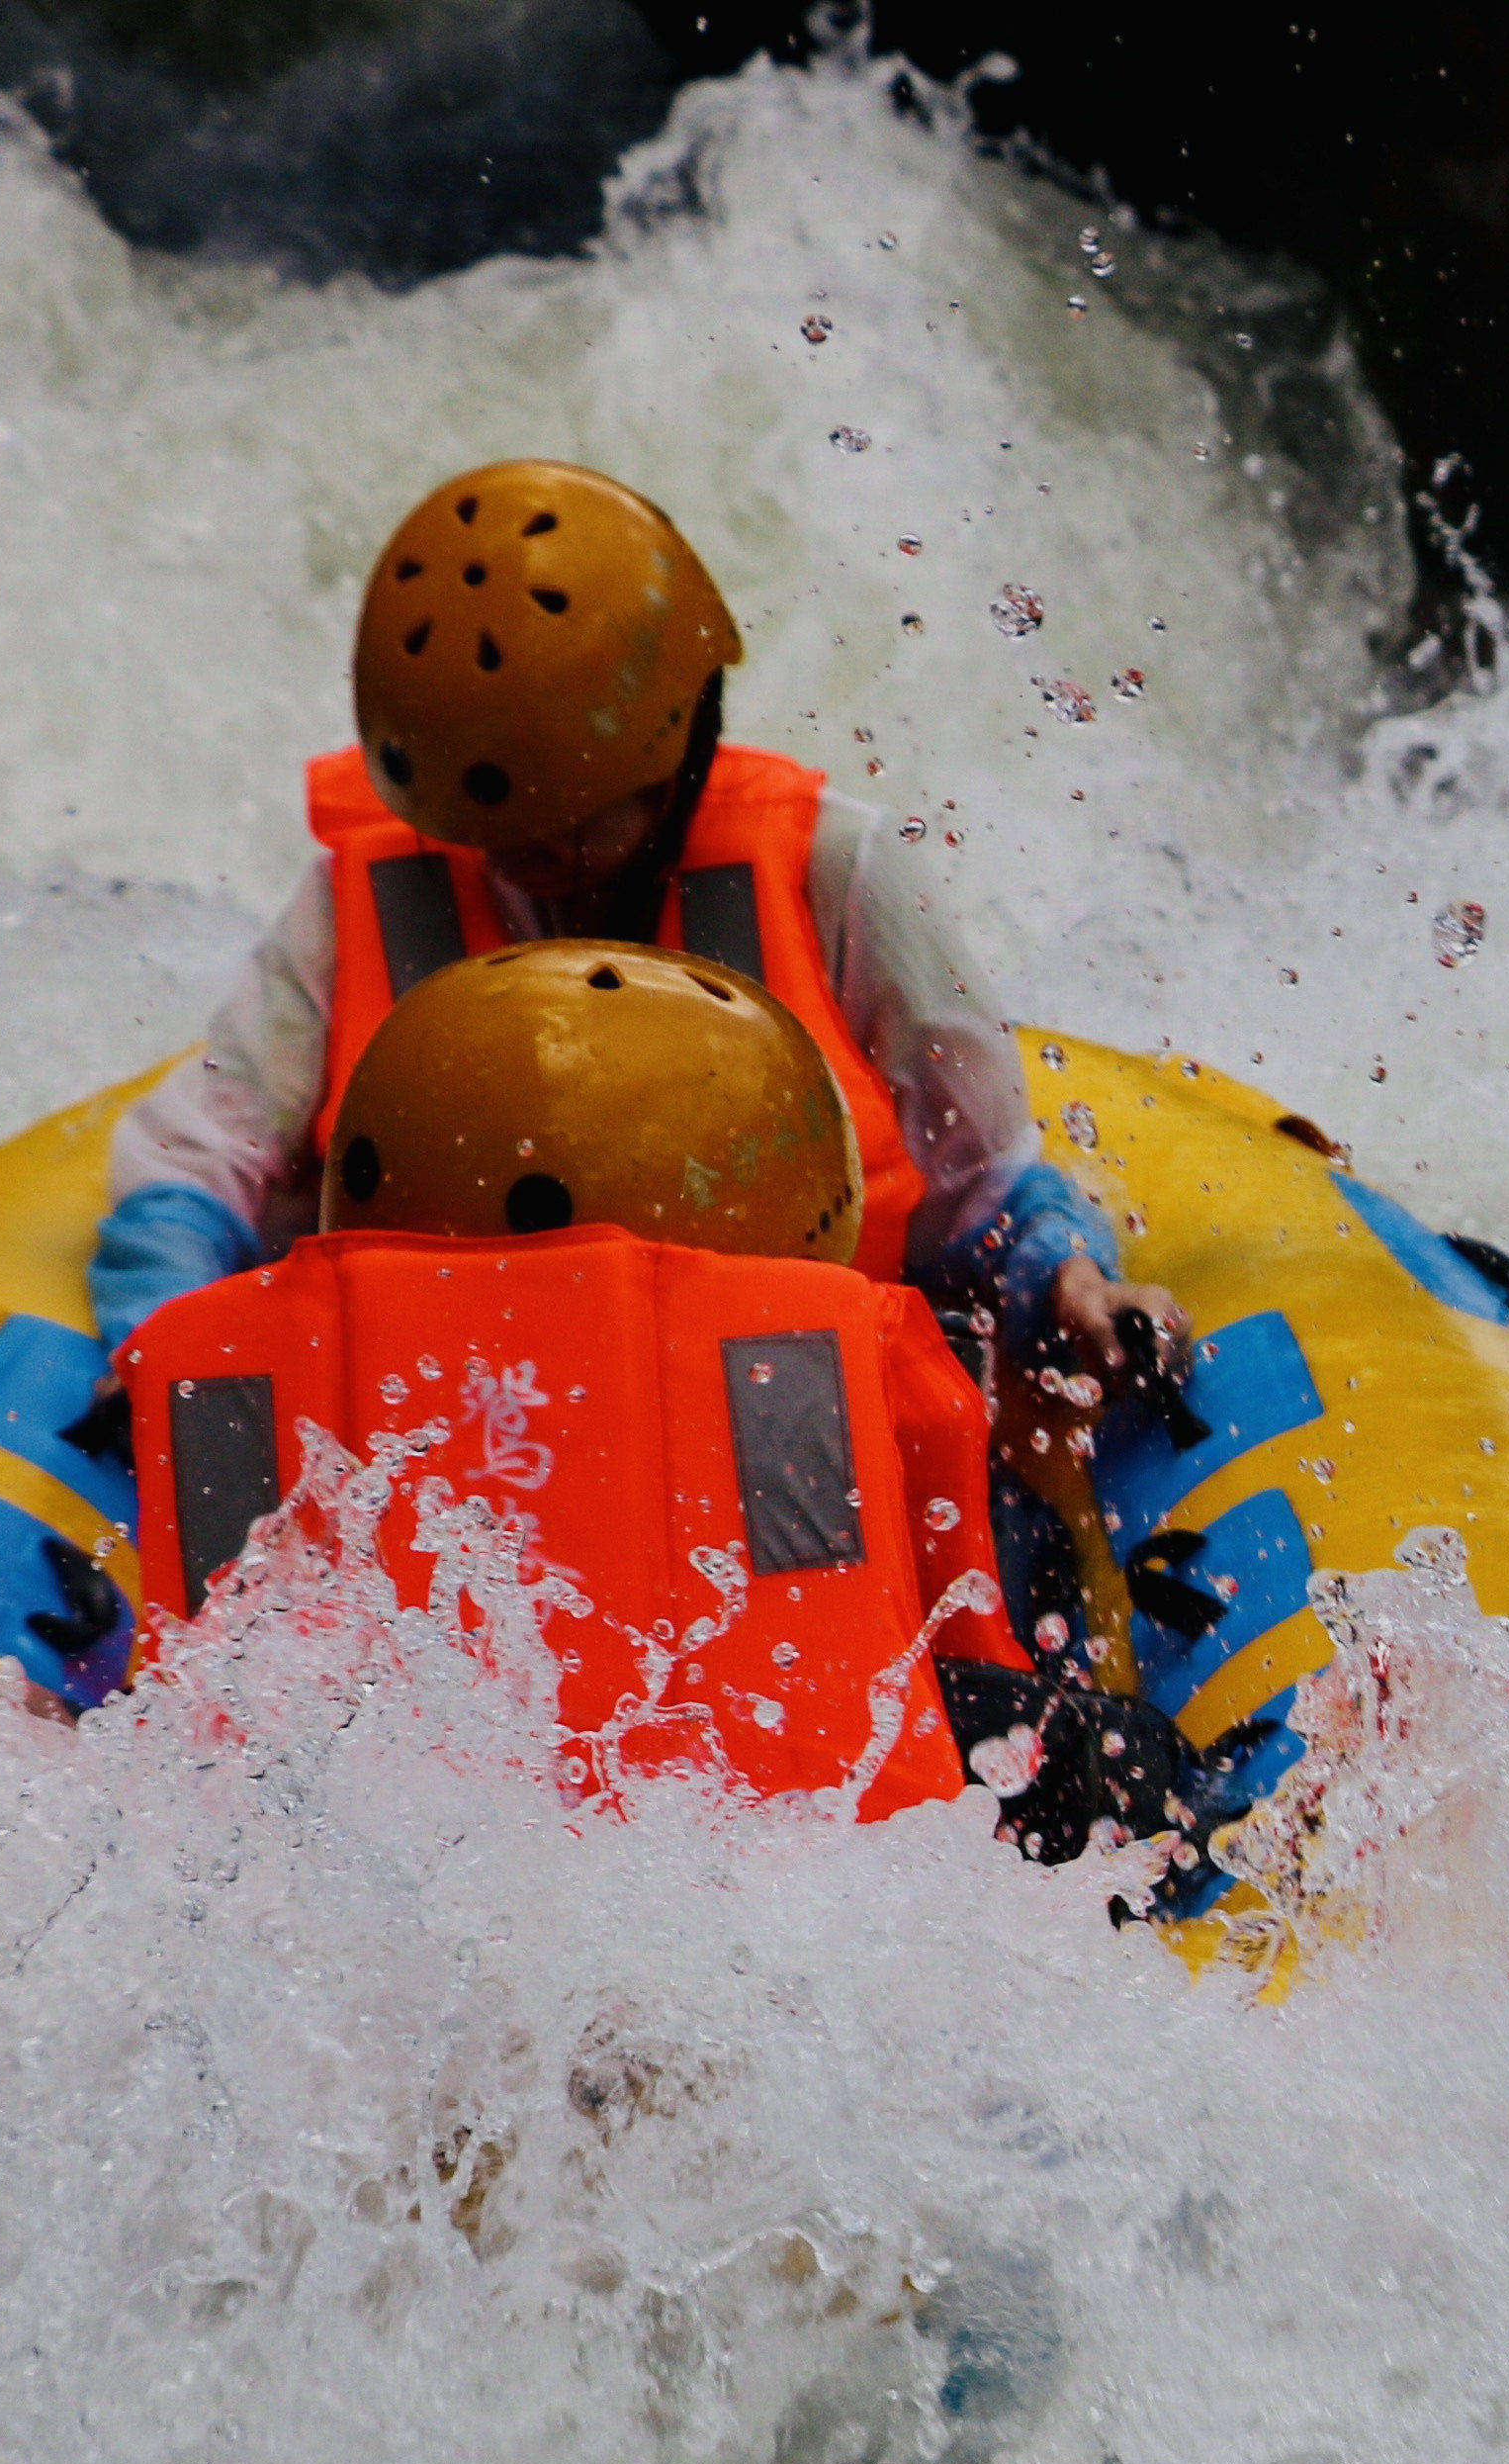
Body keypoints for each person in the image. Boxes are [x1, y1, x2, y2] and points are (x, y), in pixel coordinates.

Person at [91, 459, 1185, 1521]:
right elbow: (198, 1157)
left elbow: (978, 1182)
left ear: (683, 749)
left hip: (779, 1425)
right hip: (462, 1429)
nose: (521, 865)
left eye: (568, 826)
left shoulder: (833, 870)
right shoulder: (360, 901)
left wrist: (1064, 1277)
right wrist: (168, 1345)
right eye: (491, 836)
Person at [125, 940, 1199, 1858]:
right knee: (1115, 1754)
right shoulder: (846, 1347)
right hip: (781, 1854)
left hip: (346, 1860)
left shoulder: (208, 1365)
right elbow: (957, 1648)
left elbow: (186, 1687)